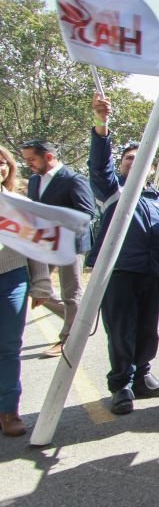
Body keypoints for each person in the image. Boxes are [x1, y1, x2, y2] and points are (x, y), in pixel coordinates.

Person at [87, 94, 159, 415]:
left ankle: (142, 377)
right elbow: (99, 166)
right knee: (121, 330)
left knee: (147, 330)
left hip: (155, 274)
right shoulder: (113, 191)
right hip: (120, 273)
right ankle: (121, 386)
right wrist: (102, 126)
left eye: (140, 157)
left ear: (151, 166)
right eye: (128, 158)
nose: (134, 161)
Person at [20, 139, 94, 358]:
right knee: (32, 286)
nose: (28, 164)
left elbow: (88, 213)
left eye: (31, 159)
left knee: (71, 293)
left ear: (49, 157)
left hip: (70, 245)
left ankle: (69, 339)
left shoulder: (73, 180)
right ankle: (78, 321)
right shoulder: (34, 181)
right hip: (43, 244)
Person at [0, 145, 51, 437]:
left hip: (12, 279)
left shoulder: (20, 205)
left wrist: (41, 283)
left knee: (8, 347)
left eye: (3, 163)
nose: (0, 168)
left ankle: (8, 410)